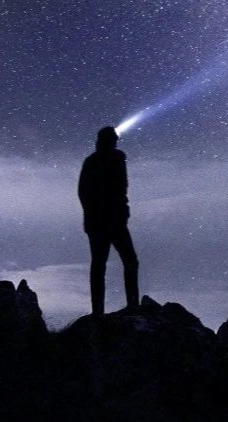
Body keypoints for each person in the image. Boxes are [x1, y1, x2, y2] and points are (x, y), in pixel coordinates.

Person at [78, 125, 139, 316]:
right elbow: (120, 187)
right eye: (113, 139)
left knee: (100, 264)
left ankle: (99, 311)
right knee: (127, 261)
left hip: (101, 221)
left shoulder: (93, 161)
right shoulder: (115, 158)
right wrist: (121, 210)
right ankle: (131, 305)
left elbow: (84, 192)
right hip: (110, 220)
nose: (115, 142)